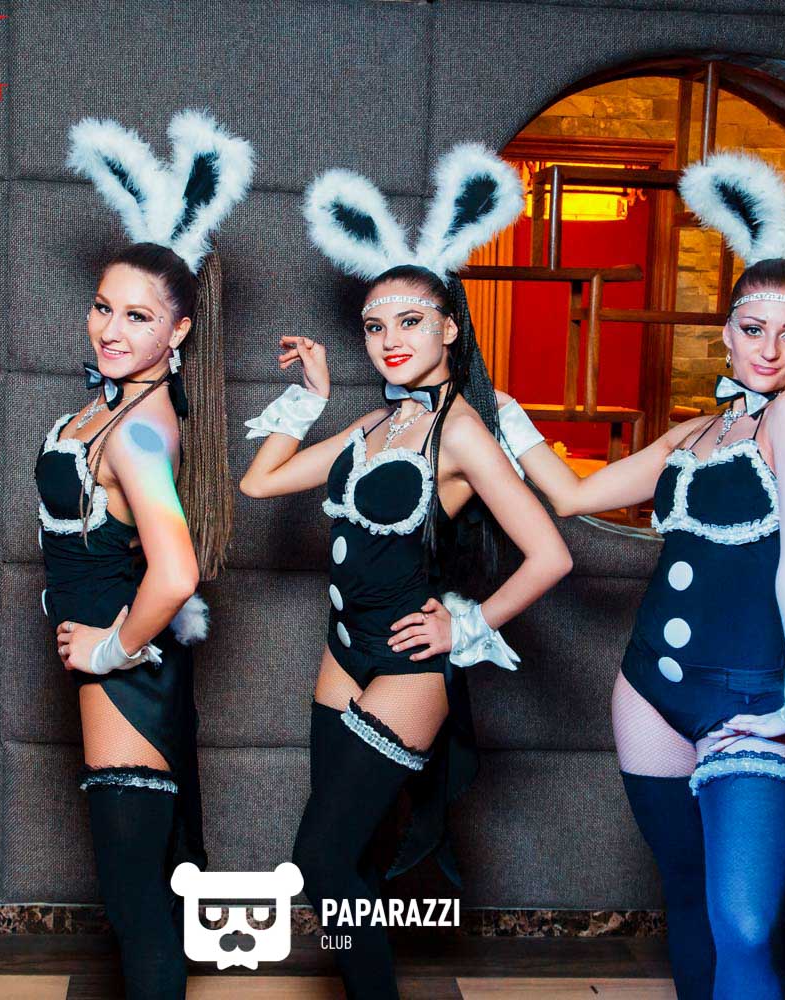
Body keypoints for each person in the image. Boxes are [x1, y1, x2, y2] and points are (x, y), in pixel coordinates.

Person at [495, 150, 785, 999]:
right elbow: (572, 496)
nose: (770, 350)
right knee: (688, 898)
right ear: (726, 332)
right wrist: (503, 415)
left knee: (746, 925)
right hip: (650, 685)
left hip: (749, 700)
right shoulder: (695, 433)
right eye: (754, 330)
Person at [240, 144, 572, 1000]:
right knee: (348, 860)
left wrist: (469, 623)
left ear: (450, 328)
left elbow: (551, 553)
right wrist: (311, 398)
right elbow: (261, 482)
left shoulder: (460, 431)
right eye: (375, 327)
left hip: (407, 667)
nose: (390, 341)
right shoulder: (375, 423)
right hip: (341, 653)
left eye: (411, 322)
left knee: (319, 859)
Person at [38, 110, 253, 999]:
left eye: (138, 316)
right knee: (143, 900)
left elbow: (176, 571)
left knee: (138, 910)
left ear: (180, 332)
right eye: (103, 306)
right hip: (120, 680)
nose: (110, 329)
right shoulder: (115, 406)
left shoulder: (138, 430)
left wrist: (110, 650)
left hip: (127, 684)